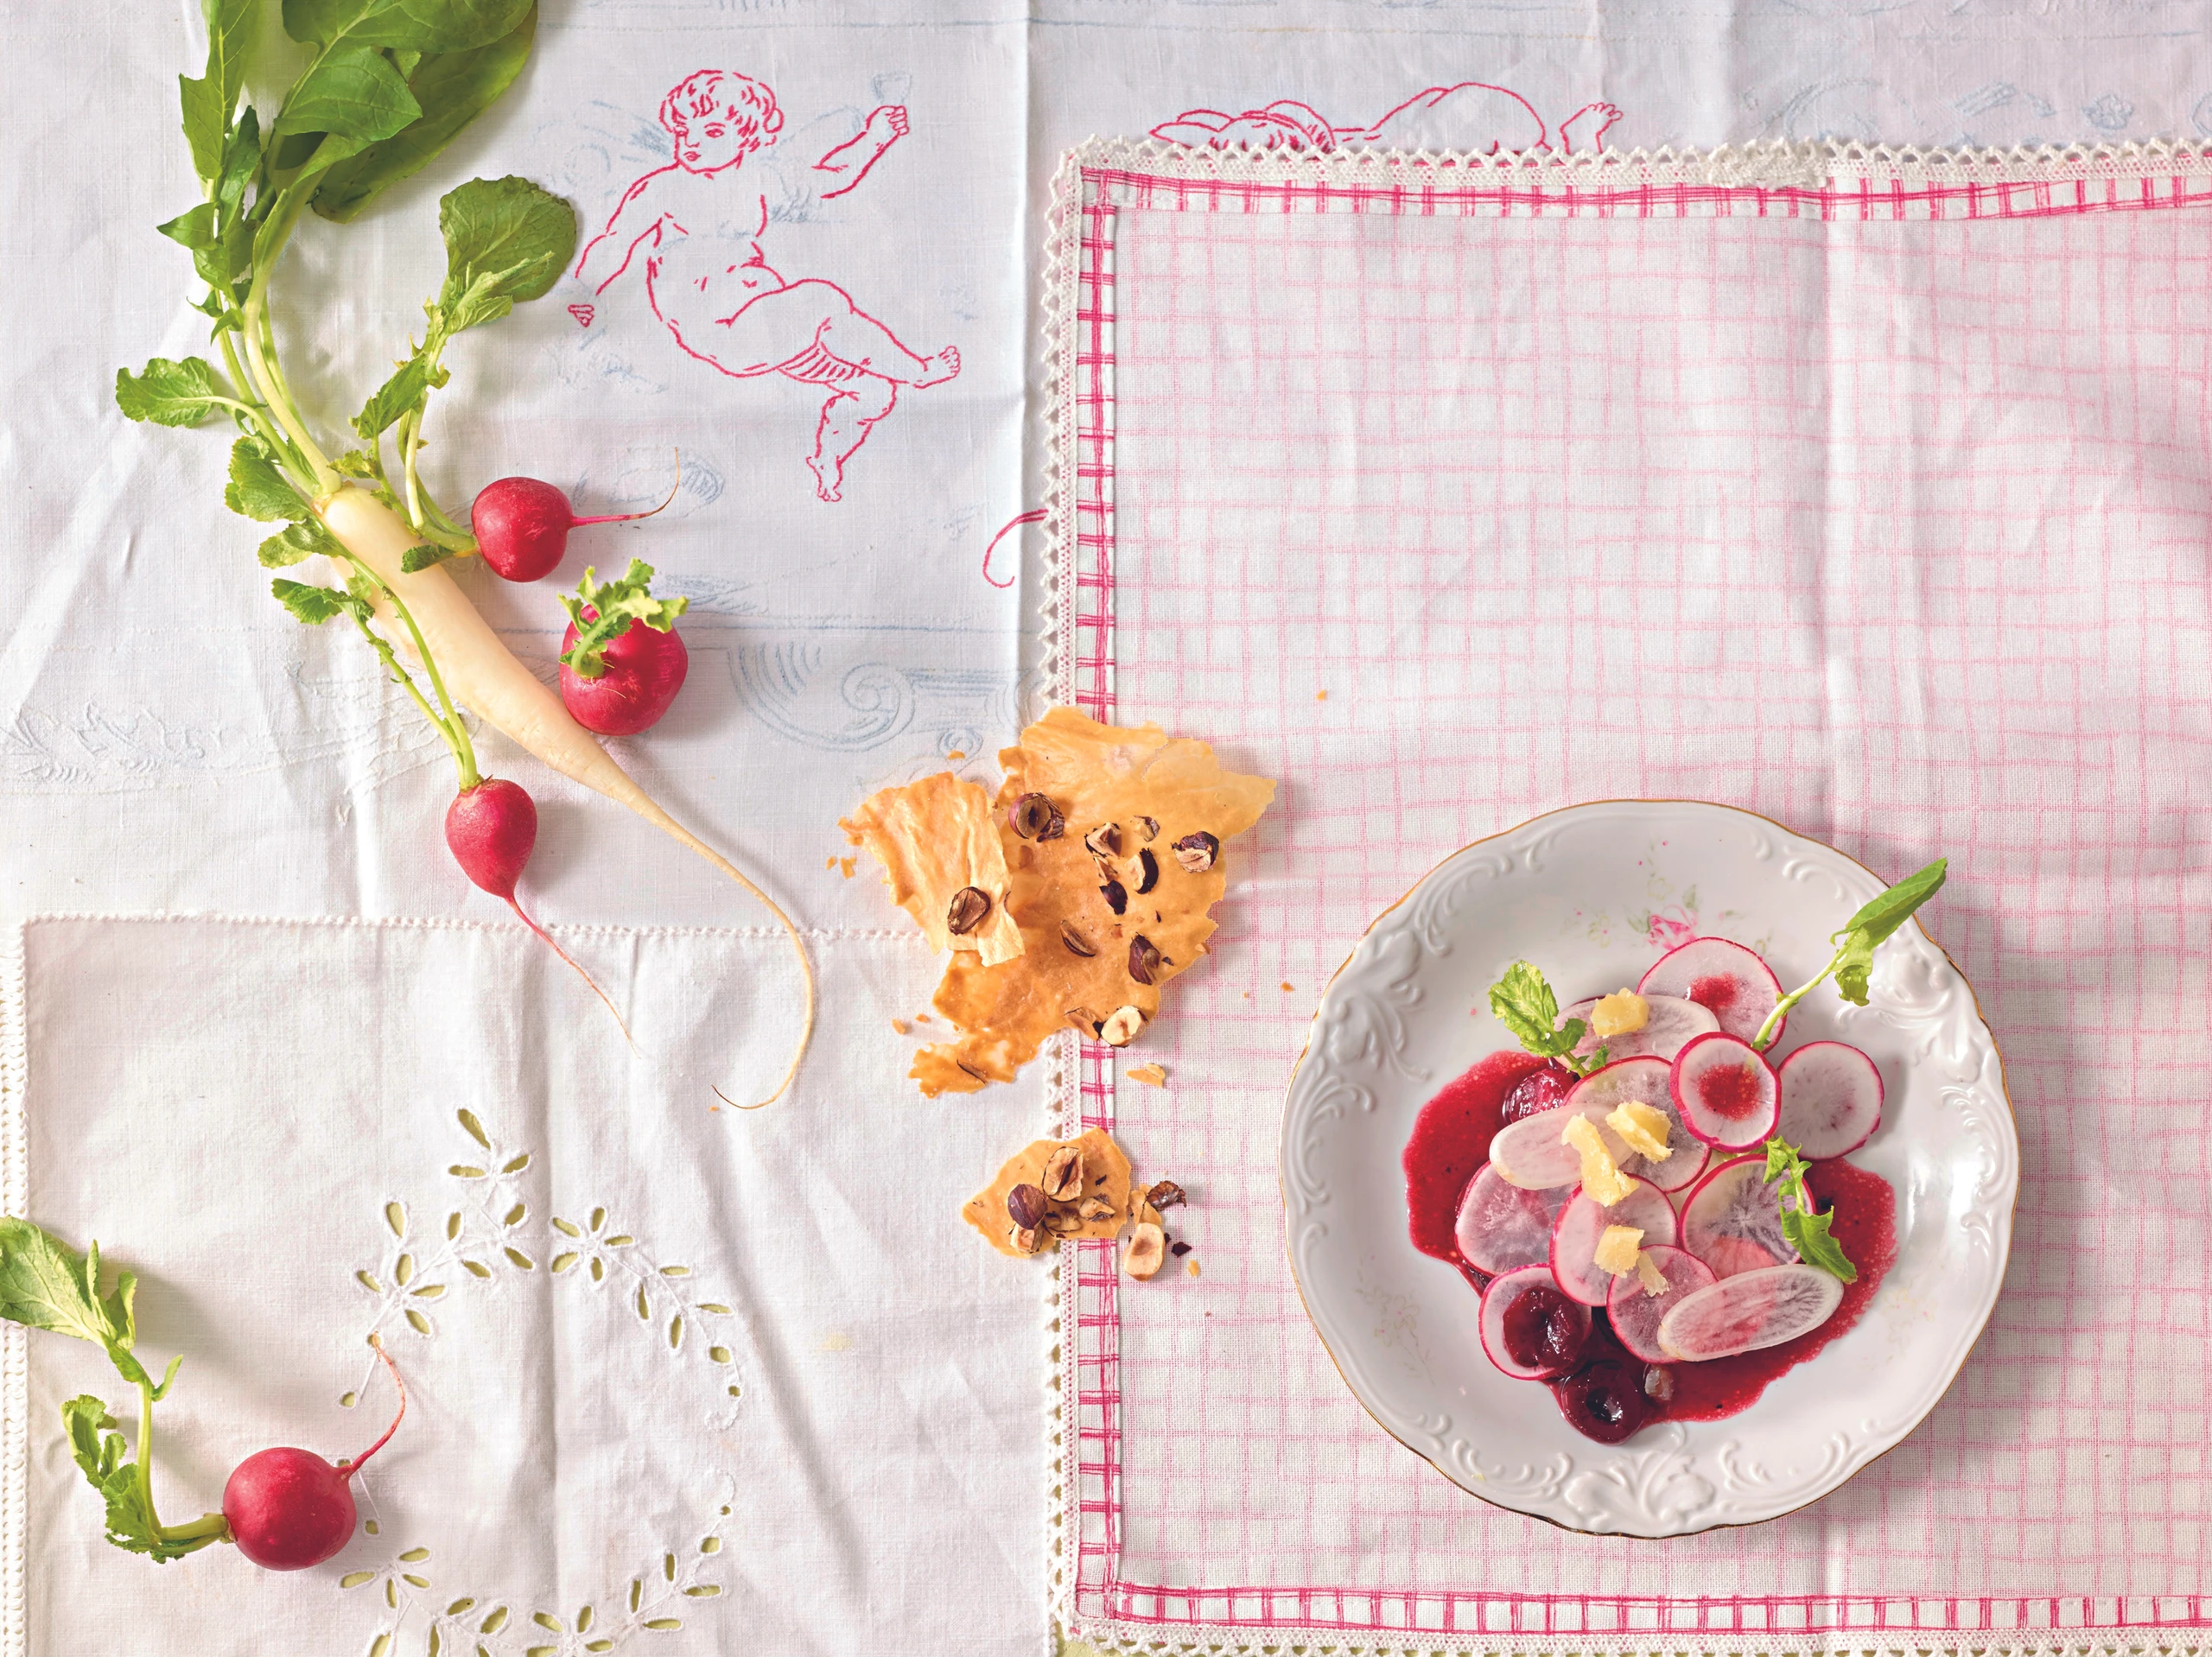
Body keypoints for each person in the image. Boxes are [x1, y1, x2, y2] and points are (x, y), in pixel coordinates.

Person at [574, 70, 961, 502]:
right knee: (823, 299)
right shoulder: (665, 188)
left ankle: (827, 461)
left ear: (747, 139)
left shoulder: (758, 180)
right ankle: (921, 372)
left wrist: (876, 136)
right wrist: (584, 293)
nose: (692, 141)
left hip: (769, 322)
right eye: (685, 131)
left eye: (713, 131)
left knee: (874, 390)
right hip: (722, 329)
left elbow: (831, 176)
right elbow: (615, 240)